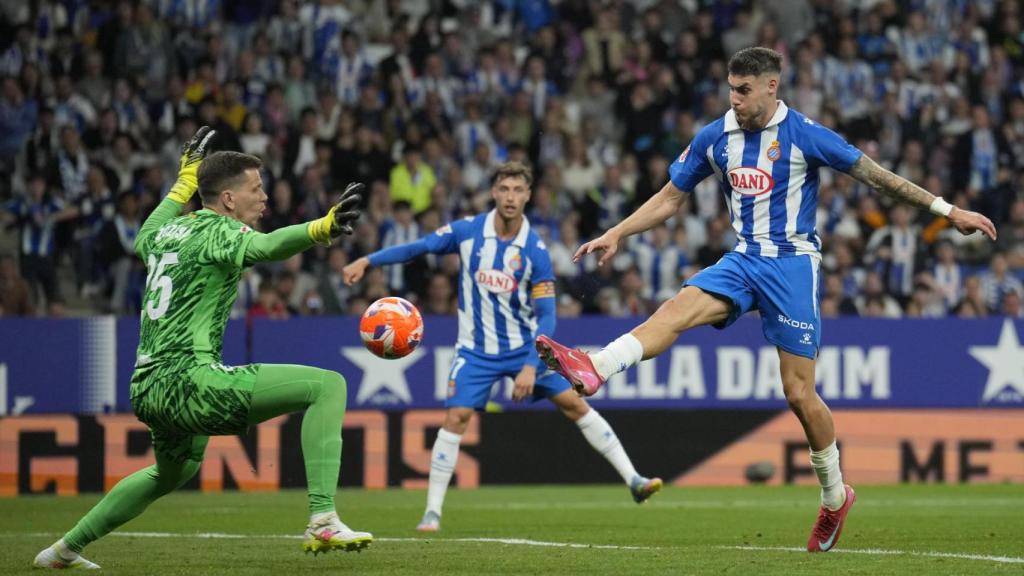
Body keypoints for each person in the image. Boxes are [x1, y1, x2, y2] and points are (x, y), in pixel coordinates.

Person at [535, 47, 997, 554]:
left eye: (743, 90)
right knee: (676, 309)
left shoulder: (806, 135)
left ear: (771, 86)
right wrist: (617, 232)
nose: (734, 99)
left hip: (794, 266)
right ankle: (596, 365)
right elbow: (671, 196)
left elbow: (875, 176)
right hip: (744, 259)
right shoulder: (717, 136)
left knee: (799, 395)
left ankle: (834, 495)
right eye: (731, 88)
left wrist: (947, 209)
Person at [34, 127, 371, 569]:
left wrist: (184, 180)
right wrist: (321, 227)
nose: (265, 197)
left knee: (174, 471)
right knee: (328, 386)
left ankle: (62, 551)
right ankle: (322, 519)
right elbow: (269, 247)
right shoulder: (218, 231)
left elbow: (143, 237)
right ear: (228, 200)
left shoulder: (169, 230)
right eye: (255, 188)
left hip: (148, 384)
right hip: (188, 378)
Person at [342, 161, 662, 532]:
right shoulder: (467, 232)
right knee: (456, 418)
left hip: (523, 348)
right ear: (494, 192)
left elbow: (547, 318)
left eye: (518, 190)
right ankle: (432, 512)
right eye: (504, 189)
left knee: (575, 403)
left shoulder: (536, 250)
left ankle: (634, 480)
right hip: (476, 351)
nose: (510, 197)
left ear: (528, 195)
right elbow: (420, 247)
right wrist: (369, 260)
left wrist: (529, 364)